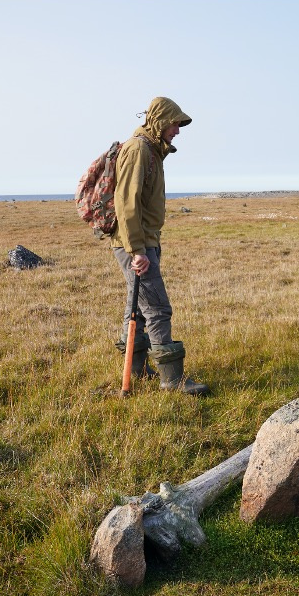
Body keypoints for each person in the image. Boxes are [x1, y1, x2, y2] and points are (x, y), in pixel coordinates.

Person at [111, 96, 209, 396]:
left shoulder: (151, 149)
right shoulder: (138, 149)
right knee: (157, 308)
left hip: (145, 241)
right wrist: (138, 251)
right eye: (175, 124)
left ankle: (139, 370)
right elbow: (126, 203)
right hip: (137, 244)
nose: (178, 131)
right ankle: (172, 381)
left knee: (138, 308)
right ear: (160, 121)